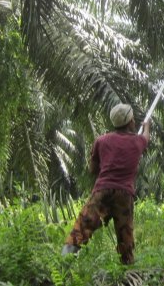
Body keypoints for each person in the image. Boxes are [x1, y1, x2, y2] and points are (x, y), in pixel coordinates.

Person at [61, 103, 151, 264]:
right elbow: (145, 138)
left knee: (82, 227)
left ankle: (63, 264)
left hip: (102, 191)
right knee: (125, 237)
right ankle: (127, 270)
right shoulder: (138, 142)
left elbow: (93, 169)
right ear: (131, 122)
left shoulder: (101, 141)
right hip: (124, 195)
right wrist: (147, 127)